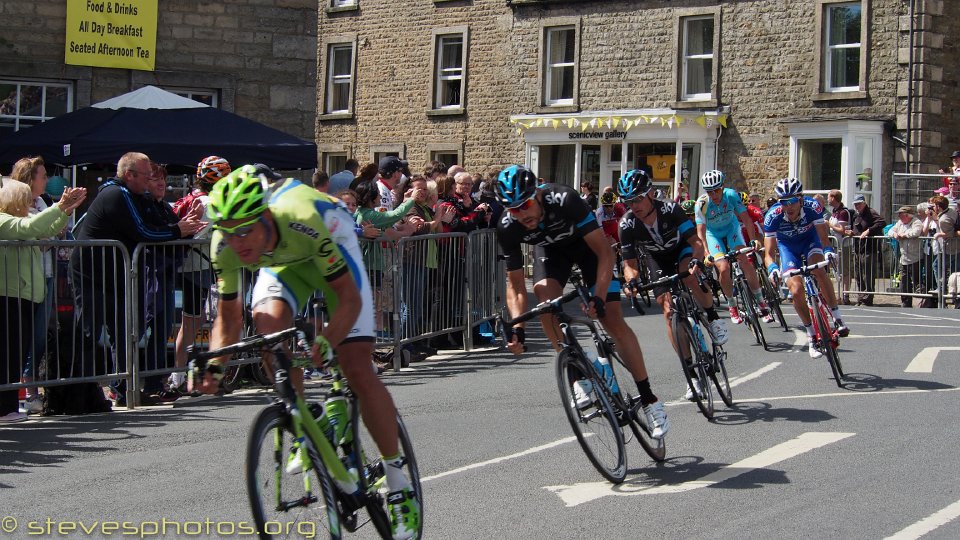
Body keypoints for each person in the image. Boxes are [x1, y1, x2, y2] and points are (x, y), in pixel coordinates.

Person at [197, 165, 419, 538]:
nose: (238, 241)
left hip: (331, 250)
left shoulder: (302, 217)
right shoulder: (226, 243)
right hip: (283, 266)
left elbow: (348, 298)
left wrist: (329, 339)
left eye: (245, 229)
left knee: (356, 368)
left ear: (266, 214)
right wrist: (215, 366)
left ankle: (399, 487)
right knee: (266, 327)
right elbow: (228, 316)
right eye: (229, 232)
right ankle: (302, 423)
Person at [495, 165, 670, 439]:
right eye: (513, 209)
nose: (521, 214)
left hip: (588, 249)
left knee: (610, 318)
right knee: (544, 300)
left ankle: (649, 400)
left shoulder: (564, 199)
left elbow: (605, 253)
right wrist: (517, 326)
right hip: (552, 254)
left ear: (537, 195)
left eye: (525, 204)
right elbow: (516, 285)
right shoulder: (507, 226)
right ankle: (579, 373)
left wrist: (599, 297)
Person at [70, 152, 205, 407]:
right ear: (129, 175)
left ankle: (123, 390)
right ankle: (82, 390)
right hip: (92, 274)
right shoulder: (116, 194)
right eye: (145, 176)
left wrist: (182, 226)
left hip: (115, 274)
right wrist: (177, 229)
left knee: (123, 333)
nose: (149, 181)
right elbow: (142, 231)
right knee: (89, 331)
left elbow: (156, 223)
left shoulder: (134, 195)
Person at [617, 169, 729, 402]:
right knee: (668, 311)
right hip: (657, 260)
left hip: (682, 250)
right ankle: (692, 376)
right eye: (628, 201)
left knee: (687, 276)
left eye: (638, 199)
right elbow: (630, 264)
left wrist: (697, 260)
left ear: (650, 194)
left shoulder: (669, 208)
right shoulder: (627, 224)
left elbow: (695, 242)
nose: (634, 205)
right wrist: (631, 280)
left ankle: (713, 317)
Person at [0, 180, 86, 422]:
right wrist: (59, 206)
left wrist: (65, 211)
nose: (30, 203)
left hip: (24, 296)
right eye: (25, 198)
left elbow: (44, 230)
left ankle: (7, 407)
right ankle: (4, 408)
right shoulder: (3, 220)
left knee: (16, 354)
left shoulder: (18, 220)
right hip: (9, 295)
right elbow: (28, 228)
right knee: (8, 354)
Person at [763, 178, 849, 359]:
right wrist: (772, 268)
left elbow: (823, 236)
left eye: (792, 201)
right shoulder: (772, 215)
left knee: (818, 269)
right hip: (788, 247)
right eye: (784, 202)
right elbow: (769, 253)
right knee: (795, 290)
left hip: (810, 241)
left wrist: (828, 251)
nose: (788, 206)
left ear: (801, 199)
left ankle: (837, 316)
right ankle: (811, 335)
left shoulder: (812, 206)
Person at [170, 156, 232, 393]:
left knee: (191, 324)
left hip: (194, 267)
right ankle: (185, 378)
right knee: (198, 324)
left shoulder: (192, 197)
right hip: (200, 268)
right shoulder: (209, 203)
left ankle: (181, 377)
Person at [8, 156, 56, 413]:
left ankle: (32, 391)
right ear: (29, 178)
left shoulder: (44, 202)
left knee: (37, 336)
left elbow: (49, 236)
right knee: (21, 337)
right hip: (22, 279)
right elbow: (34, 234)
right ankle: (24, 393)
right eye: (43, 175)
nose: (47, 179)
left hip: (44, 274)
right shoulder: (14, 205)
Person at [695, 170, 773, 325]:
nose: (714, 195)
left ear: (723, 187)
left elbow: (746, 219)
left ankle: (760, 300)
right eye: (710, 192)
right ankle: (732, 304)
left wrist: (753, 241)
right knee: (723, 268)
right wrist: (706, 252)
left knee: (744, 259)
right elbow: (701, 231)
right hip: (713, 234)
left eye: (717, 190)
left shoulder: (731, 195)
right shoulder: (702, 203)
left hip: (732, 229)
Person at [845, 194, 886, 306]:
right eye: (855, 204)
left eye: (859, 204)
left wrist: (868, 231)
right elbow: (857, 228)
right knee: (858, 275)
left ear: (864, 203)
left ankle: (867, 299)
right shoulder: (856, 215)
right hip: (858, 248)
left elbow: (882, 222)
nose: (857, 206)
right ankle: (861, 298)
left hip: (869, 249)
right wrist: (852, 233)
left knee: (867, 275)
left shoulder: (871, 212)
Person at [887, 205, 923, 308]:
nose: (899, 217)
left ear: (907, 215)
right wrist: (895, 235)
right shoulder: (900, 223)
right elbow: (890, 231)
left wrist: (904, 235)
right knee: (904, 280)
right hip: (904, 257)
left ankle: (923, 301)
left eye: (901, 215)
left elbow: (916, 232)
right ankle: (905, 302)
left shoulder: (916, 222)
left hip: (915, 257)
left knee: (917, 281)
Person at [826, 189, 854, 304]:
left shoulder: (843, 212)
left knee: (845, 270)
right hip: (836, 245)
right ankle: (838, 294)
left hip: (844, 245)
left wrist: (829, 224)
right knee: (837, 271)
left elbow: (842, 230)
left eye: (828, 197)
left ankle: (845, 295)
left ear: (833, 198)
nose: (827, 199)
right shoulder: (834, 211)